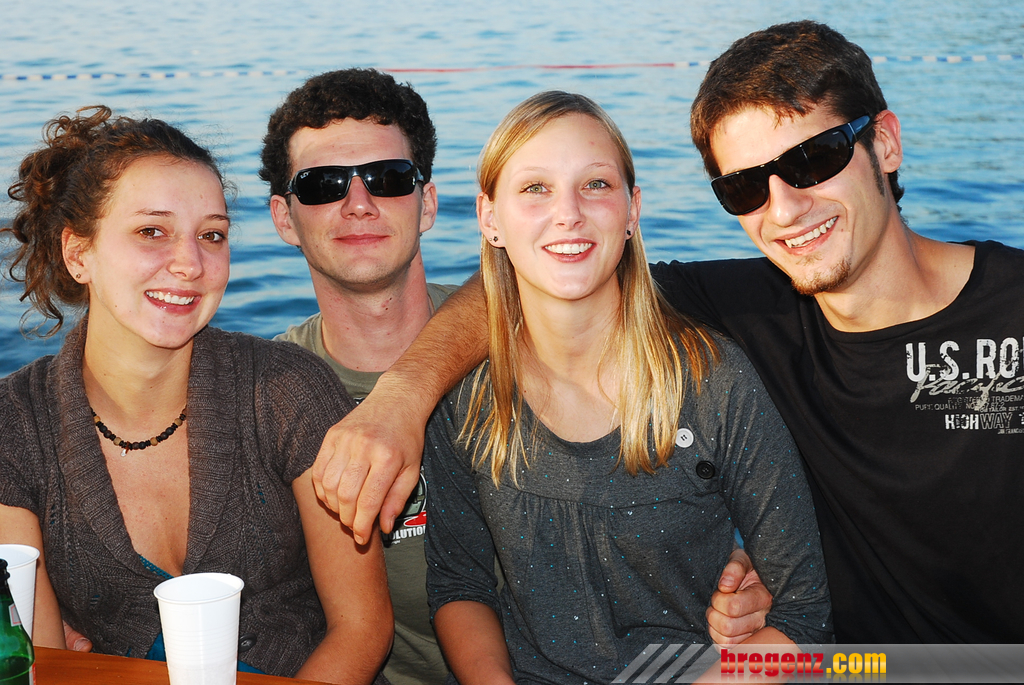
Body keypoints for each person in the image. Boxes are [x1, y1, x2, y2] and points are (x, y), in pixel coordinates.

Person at [310, 20, 1024, 644]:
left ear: (885, 144)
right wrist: (403, 398)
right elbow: (532, 282)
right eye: (746, 186)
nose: (784, 209)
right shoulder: (743, 310)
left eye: (813, 161)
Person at [423, 91, 831, 684]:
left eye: (595, 184)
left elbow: (803, 619)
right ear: (490, 219)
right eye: (535, 188)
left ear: (632, 209)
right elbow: (460, 584)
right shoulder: (468, 396)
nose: (568, 213)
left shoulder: (713, 382)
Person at [0, 106, 393, 682]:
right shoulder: (15, 426)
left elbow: (361, 627)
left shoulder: (287, 390)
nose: (189, 263)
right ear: (78, 253)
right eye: (151, 232)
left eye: (212, 235)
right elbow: (38, 655)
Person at [259, 69, 455, 685]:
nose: (359, 203)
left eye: (388, 178)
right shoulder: (262, 395)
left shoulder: (517, 333)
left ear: (427, 203)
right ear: (285, 218)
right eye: (322, 185)